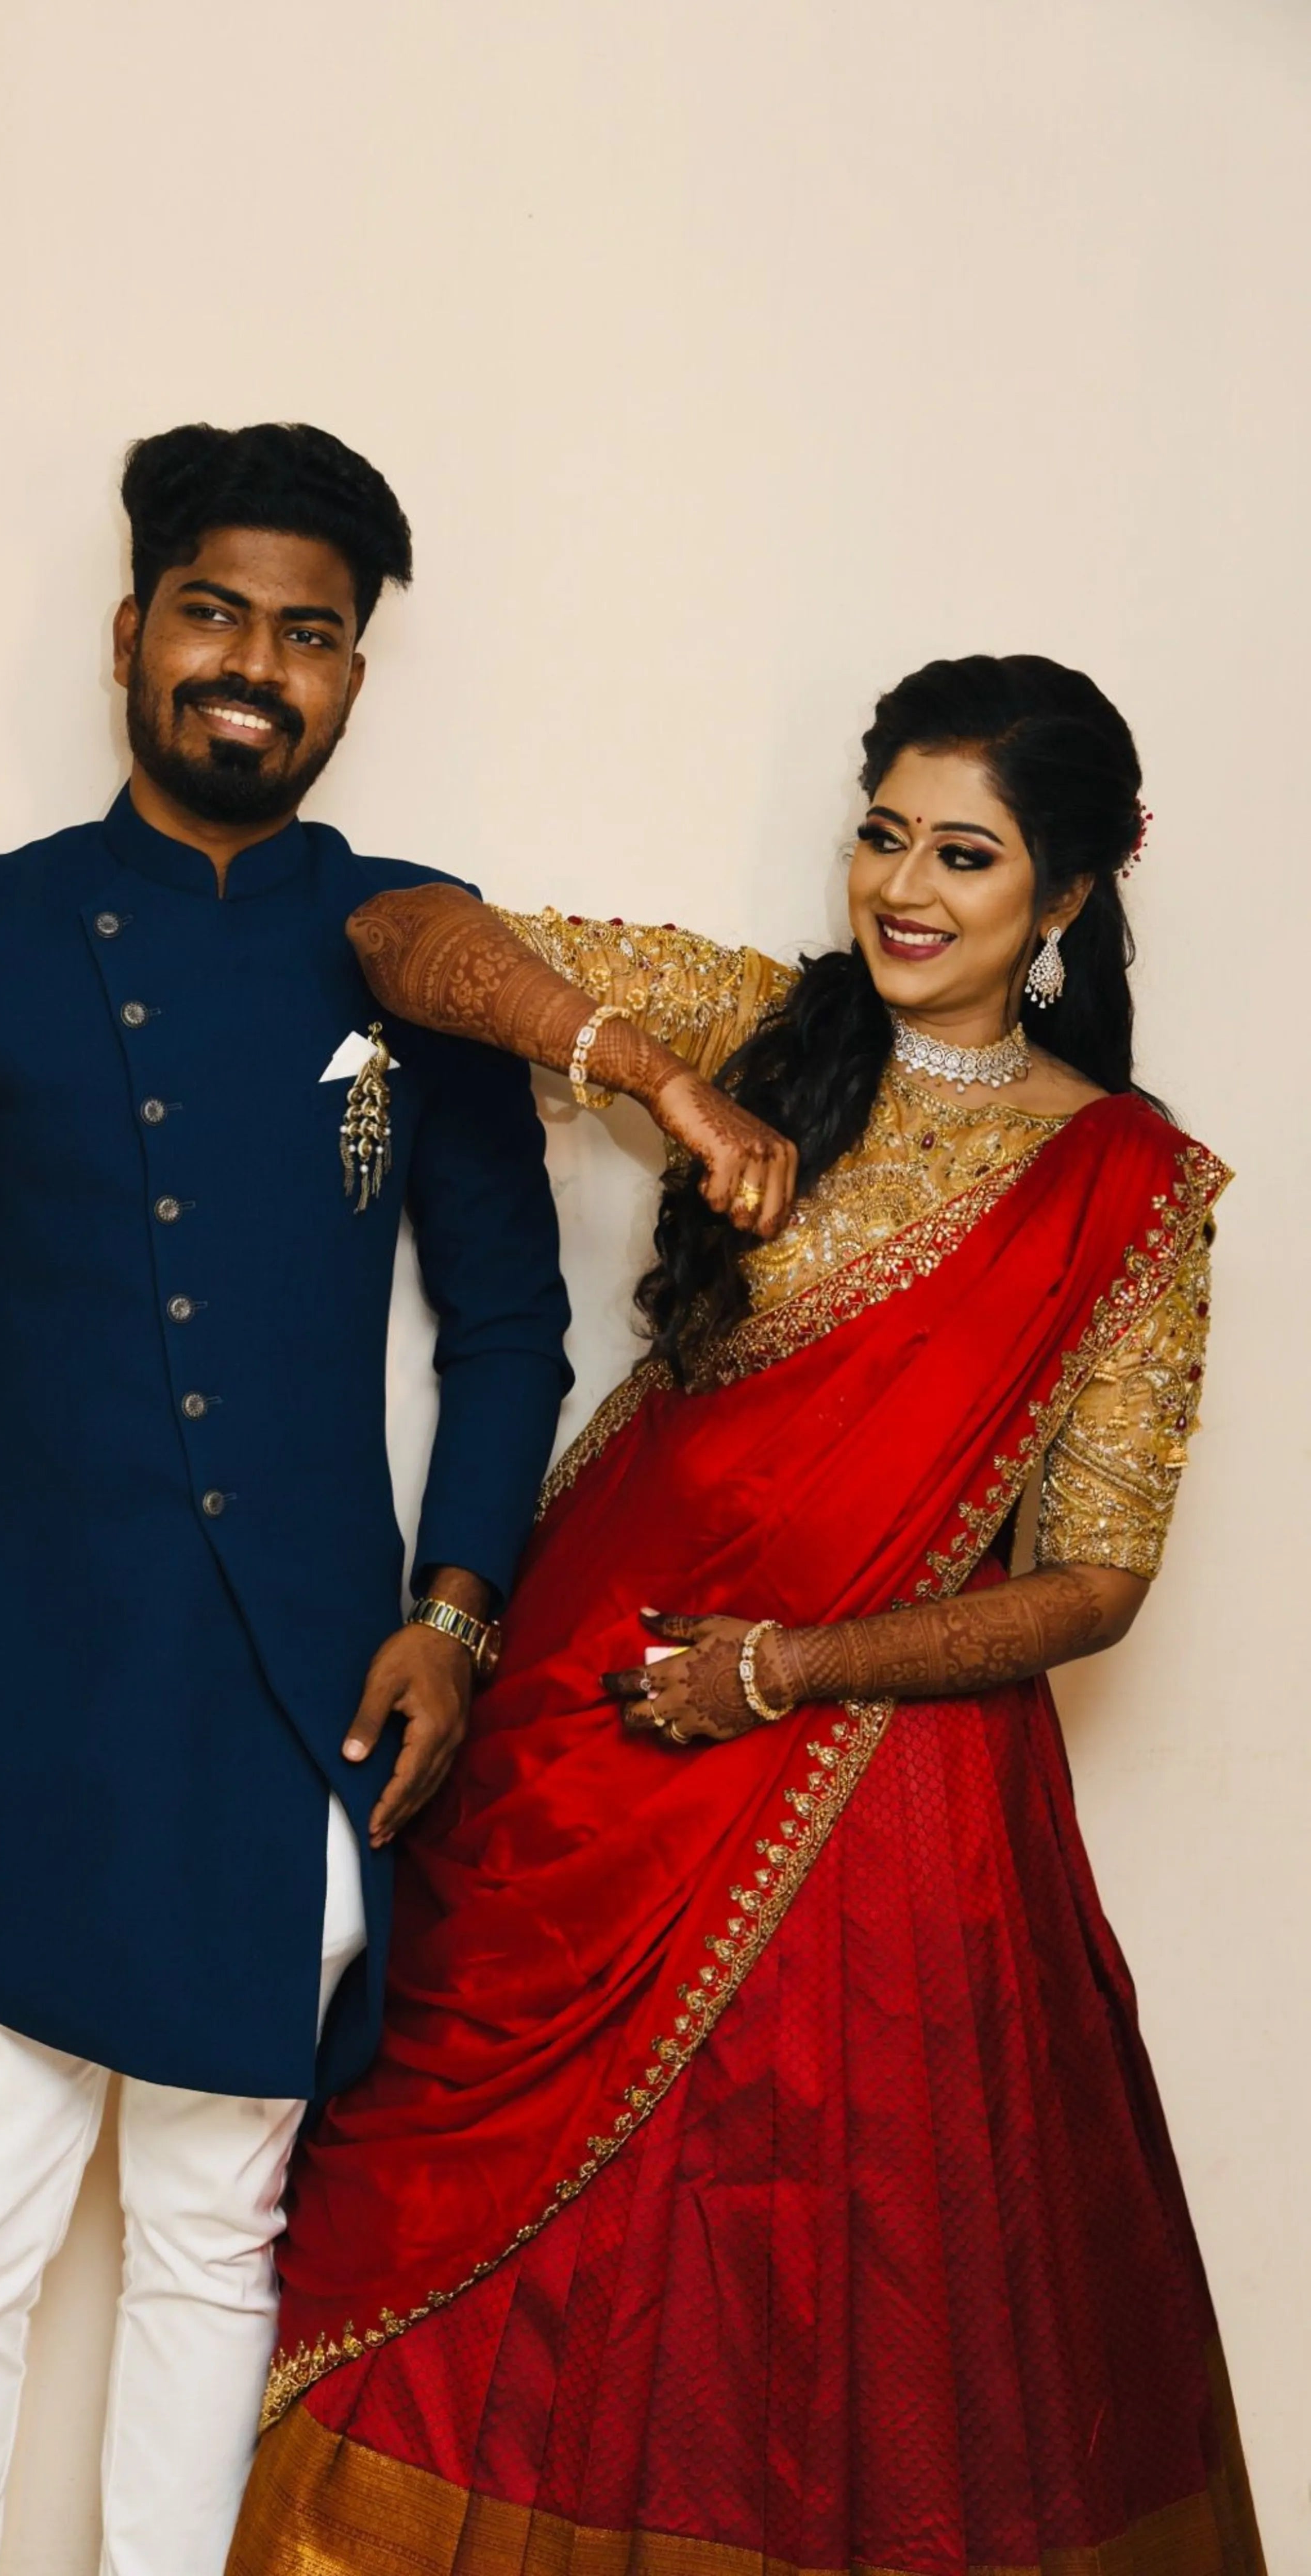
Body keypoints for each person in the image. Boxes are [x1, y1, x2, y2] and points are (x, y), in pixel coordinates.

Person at [229, 655, 1266, 2576]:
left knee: (845, 2284)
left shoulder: (1127, 1187)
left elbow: (1101, 1580)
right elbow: (397, 934)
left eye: (967, 854)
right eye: (882, 833)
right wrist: (652, 1072)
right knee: (519, 2256)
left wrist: (785, 1670)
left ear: (1065, 899)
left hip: (886, 1818)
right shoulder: (764, 1023)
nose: (906, 887)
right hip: (586, 1744)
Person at [0, 420, 570, 2576]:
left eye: (310, 632)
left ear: (352, 676)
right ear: (133, 631)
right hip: (11, 1711)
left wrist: (457, 1607)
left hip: (293, 1704)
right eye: (215, 612)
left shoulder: (418, 955)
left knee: (220, 2244)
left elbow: (512, 1331)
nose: (257, 664)